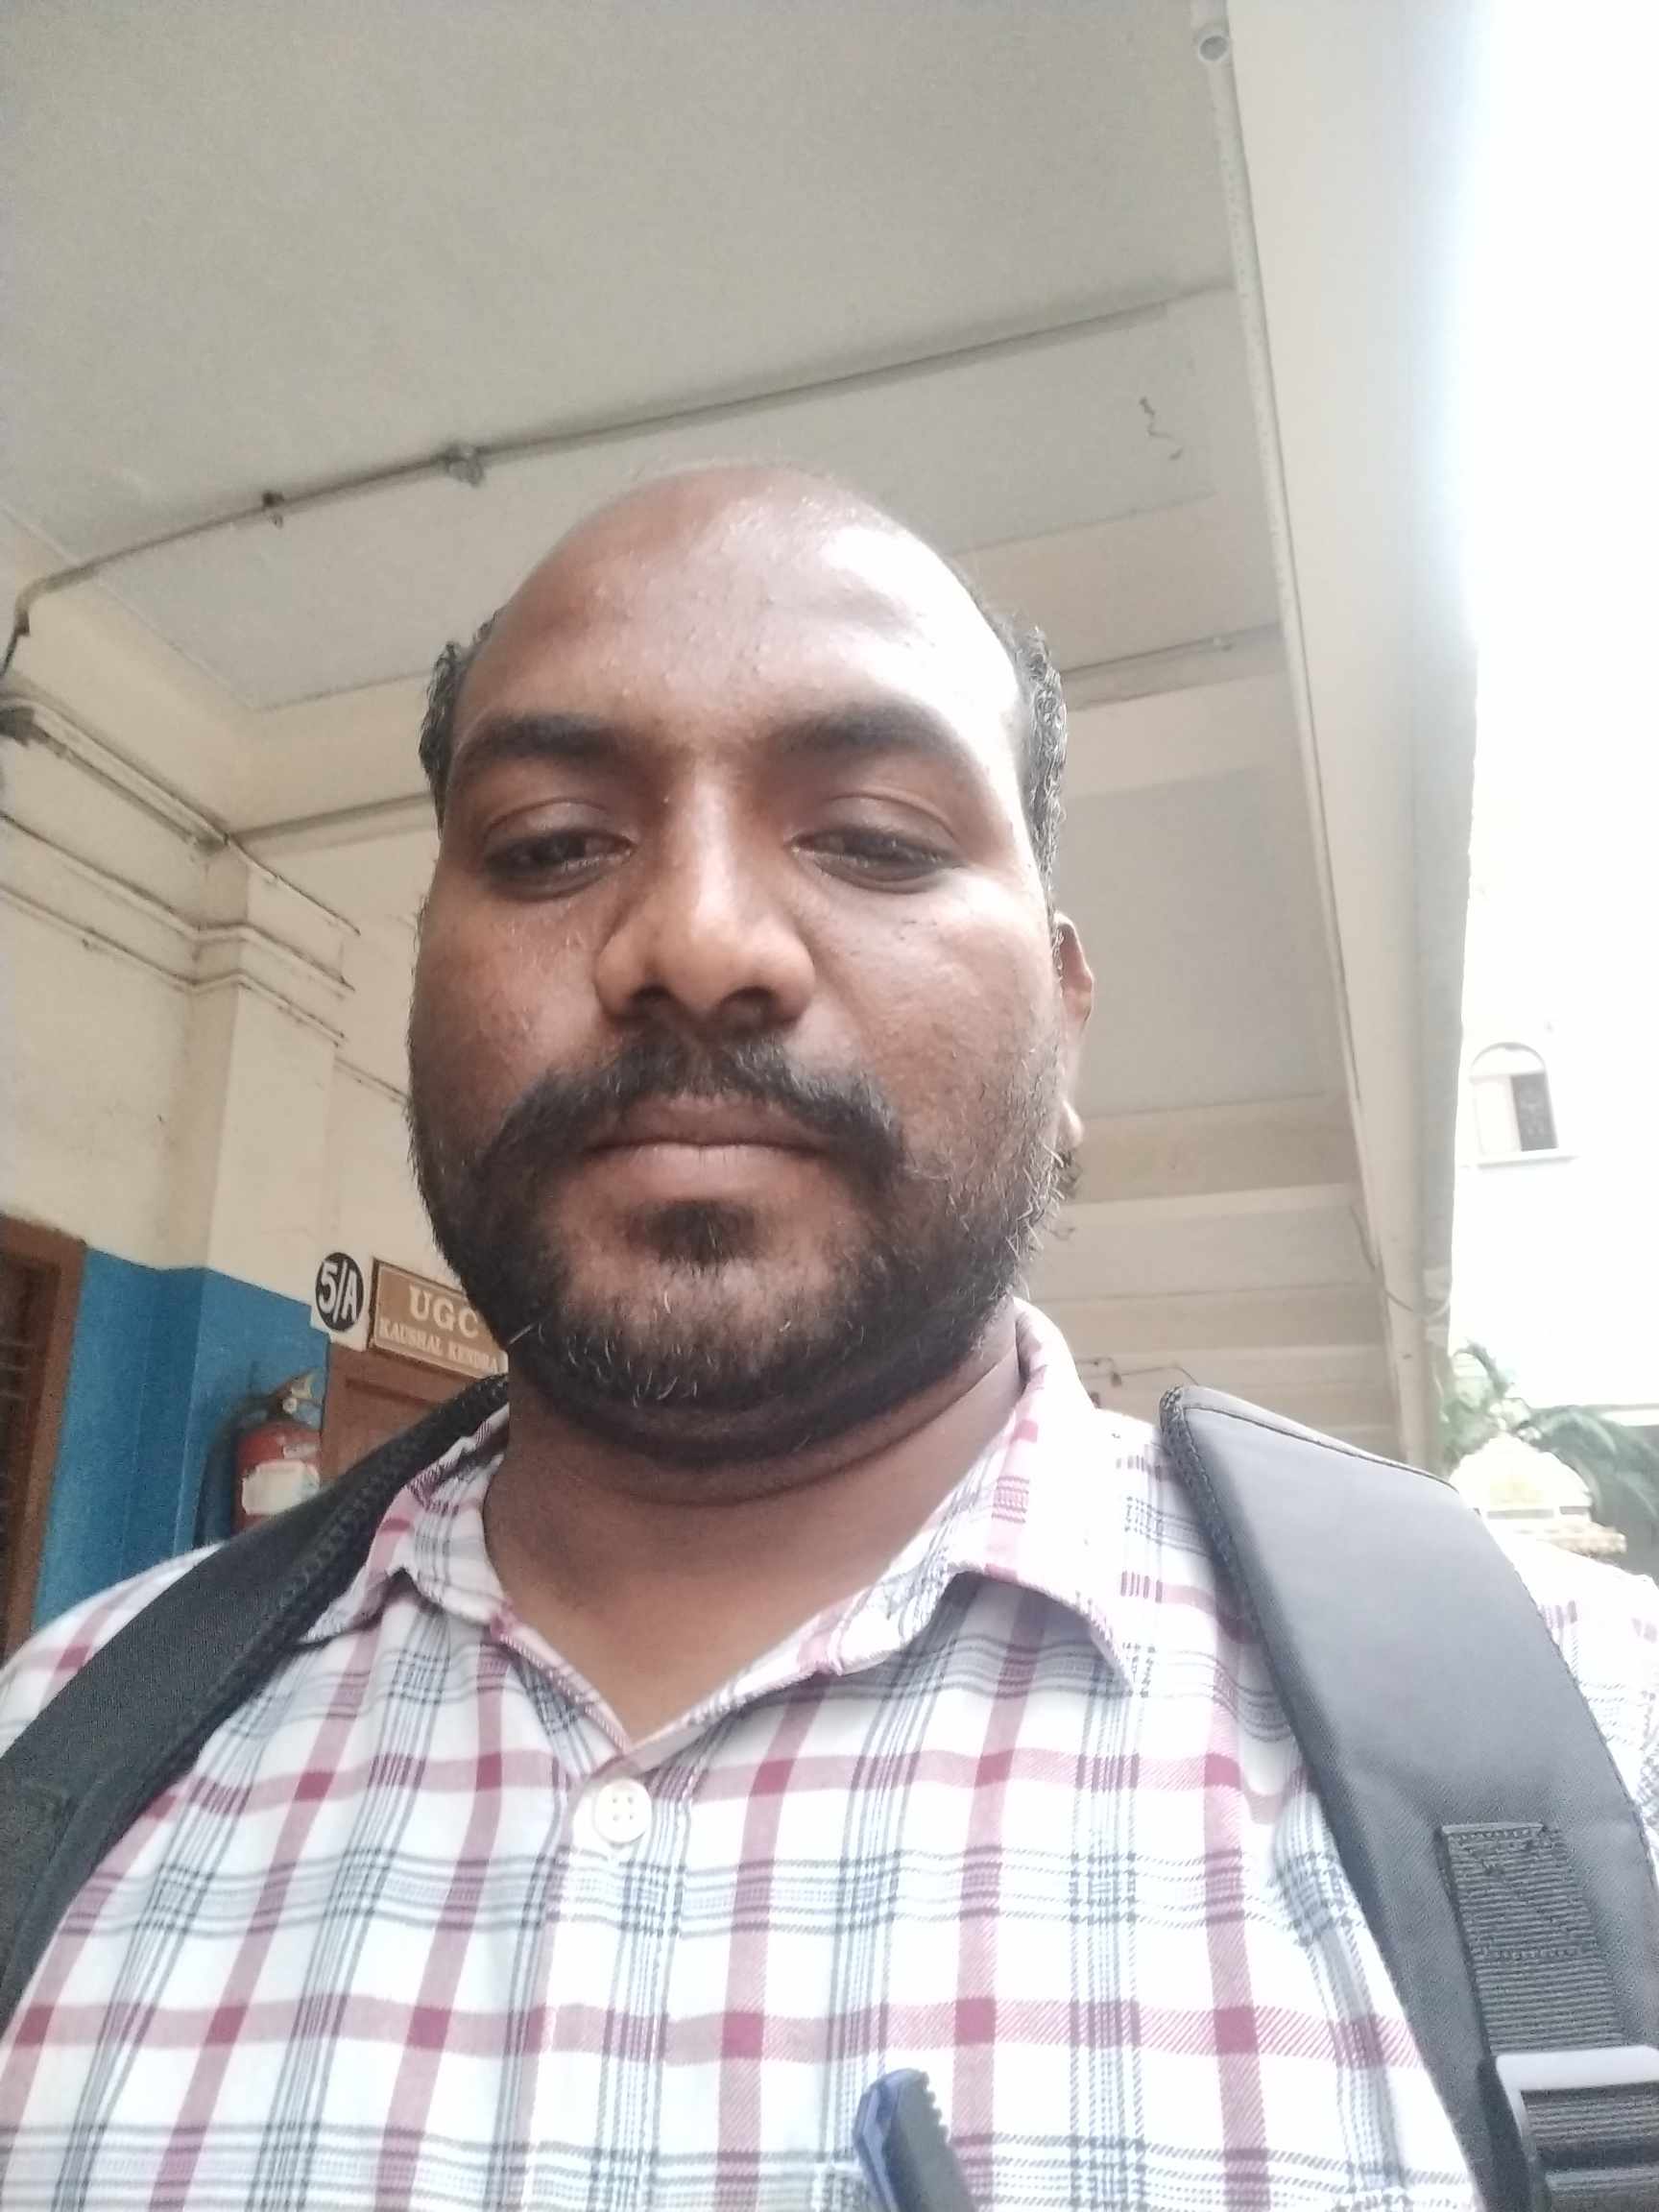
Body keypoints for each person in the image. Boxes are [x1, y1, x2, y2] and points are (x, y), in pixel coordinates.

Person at [1, 466, 1654, 2212]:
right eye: (551, 844)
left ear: (1066, 1016)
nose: (697, 941)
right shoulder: (56, 1741)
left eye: (872, 835)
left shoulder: (1596, 1754)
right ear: (419, 979)